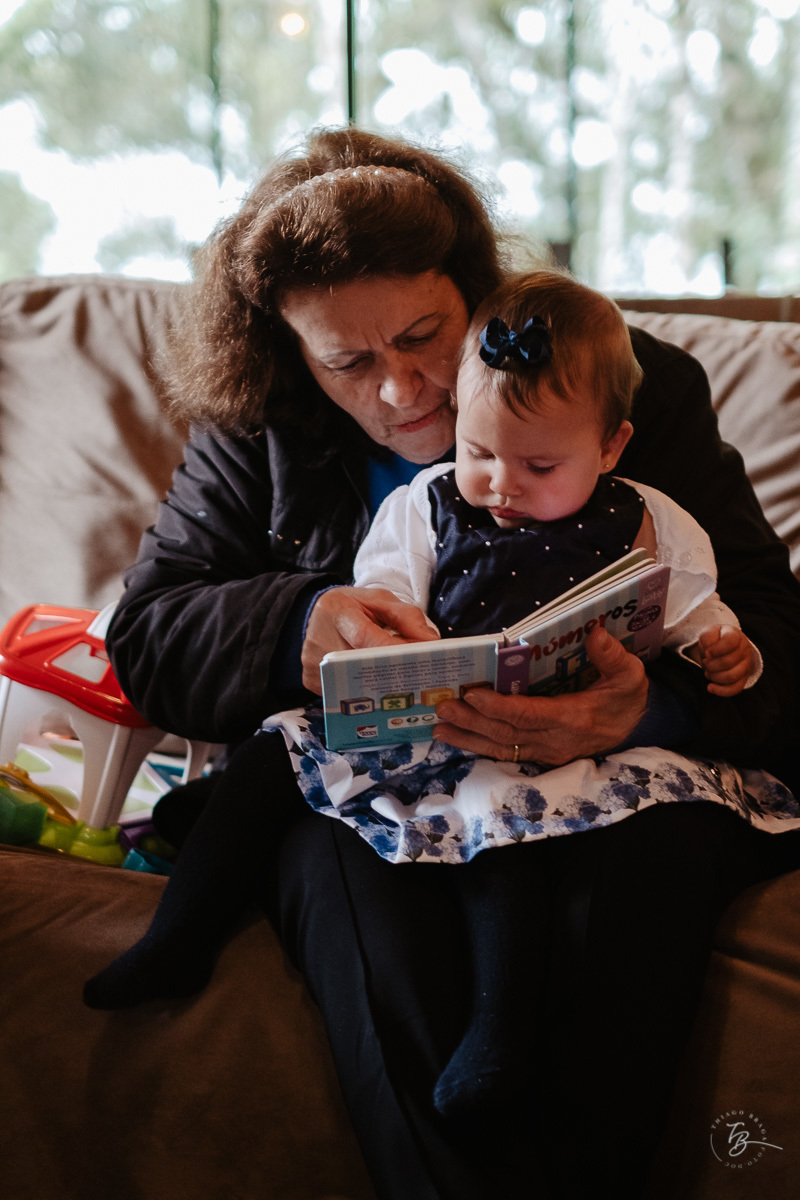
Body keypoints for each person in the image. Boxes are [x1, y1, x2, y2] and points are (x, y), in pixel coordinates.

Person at [89, 127, 800, 1199]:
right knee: (351, 885)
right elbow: (147, 635)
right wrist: (301, 620)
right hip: (372, 788)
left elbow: (777, 644)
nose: (402, 391)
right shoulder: (255, 429)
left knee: (638, 878)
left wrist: (646, 711)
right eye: (348, 362)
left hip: (628, 795)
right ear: (290, 354)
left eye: (427, 335)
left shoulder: (624, 389)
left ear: (478, 291)